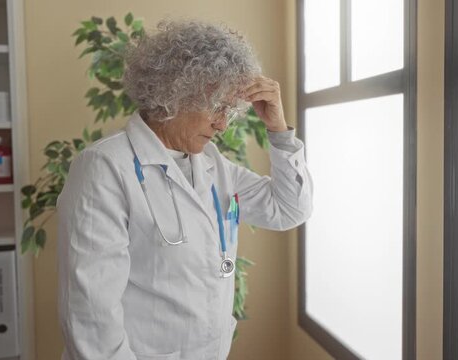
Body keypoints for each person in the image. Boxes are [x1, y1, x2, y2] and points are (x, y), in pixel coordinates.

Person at [57, 20, 313, 360]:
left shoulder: (211, 163)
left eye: (229, 111)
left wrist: (279, 130)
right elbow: (90, 314)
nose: (223, 124)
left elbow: (289, 209)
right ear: (175, 93)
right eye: (217, 107)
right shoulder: (105, 167)